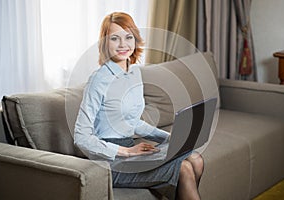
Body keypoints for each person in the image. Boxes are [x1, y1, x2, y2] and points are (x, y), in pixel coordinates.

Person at [74, 12, 204, 200]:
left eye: (128, 37)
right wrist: (126, 151)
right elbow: (81, 136)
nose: (123, 44)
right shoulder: (98, 80)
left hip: (131, 151)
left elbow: (132, 122)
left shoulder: (134, 73)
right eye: (114, 38)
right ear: (104, 43)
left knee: (196, 159)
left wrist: (169, 138)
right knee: (184, 168)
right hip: (108, 162)